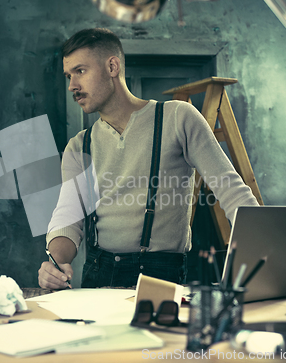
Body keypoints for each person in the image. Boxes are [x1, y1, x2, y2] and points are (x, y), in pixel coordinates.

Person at [38, 28, 258, 289]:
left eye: (80, 71)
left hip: (160, 279)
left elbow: (233, 192)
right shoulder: (78, 146)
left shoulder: (178, 118)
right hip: (98, 279)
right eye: (68, 76)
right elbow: (68, 218)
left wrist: (271, 263)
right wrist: (54, 264)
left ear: (112, 66)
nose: (72, 85)